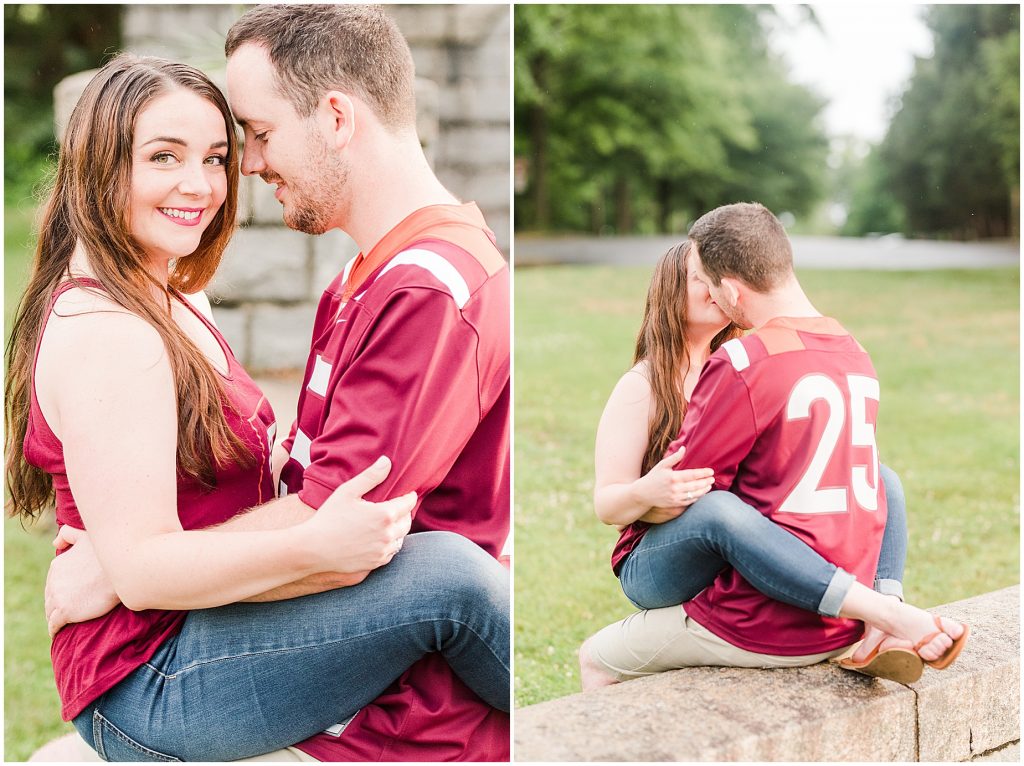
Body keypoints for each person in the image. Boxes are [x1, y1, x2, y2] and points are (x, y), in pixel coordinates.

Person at [6, 52, 508, 764]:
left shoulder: (179, 294)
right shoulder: (109, 333)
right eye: (164, 157)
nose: (202, 184)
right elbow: (147, 572)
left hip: (205, 628)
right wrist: (307, 542)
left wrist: (122, 559)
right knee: (452, 580)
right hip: (150, 681)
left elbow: (198, 483)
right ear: (101, 167)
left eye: (216, 156)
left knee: (450, 575)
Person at [580, 203, 968, 687]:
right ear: (667, 292)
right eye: (695, 277)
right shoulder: (649, 384)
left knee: (882, 477)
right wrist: (649, 494)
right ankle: (882, 610)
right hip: (661, 552)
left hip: (731, 542)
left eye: (710, 277)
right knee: (719, 509)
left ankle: (882, 613)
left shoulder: (745, 362)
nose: (708, 288)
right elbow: (621, 501)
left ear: (731, 288)